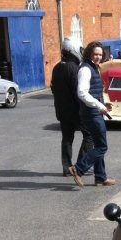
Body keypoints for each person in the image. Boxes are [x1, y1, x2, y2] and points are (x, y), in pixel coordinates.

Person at [68, 41, 115, 188]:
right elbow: (82, 93)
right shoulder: (85, 69)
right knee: (102, 146)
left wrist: (103, 104)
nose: (98, 57)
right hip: (90, 113)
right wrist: (99, 105)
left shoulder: (94, 68)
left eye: (100, 54)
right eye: (95, 54)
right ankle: (78, 168)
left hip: (94, 112)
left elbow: (93, 92)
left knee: (97, 144)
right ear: (89, 53)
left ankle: (100, 177)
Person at [50, 37, 93, 176]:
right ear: (73, 49)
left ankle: (66, 167)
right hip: (76, 110)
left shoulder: (56, 67)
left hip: (62, 111)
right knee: (89, 135)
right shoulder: (74, 68)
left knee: (67, 138)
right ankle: (80, 166)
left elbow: (53, 88)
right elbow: (77, 92)